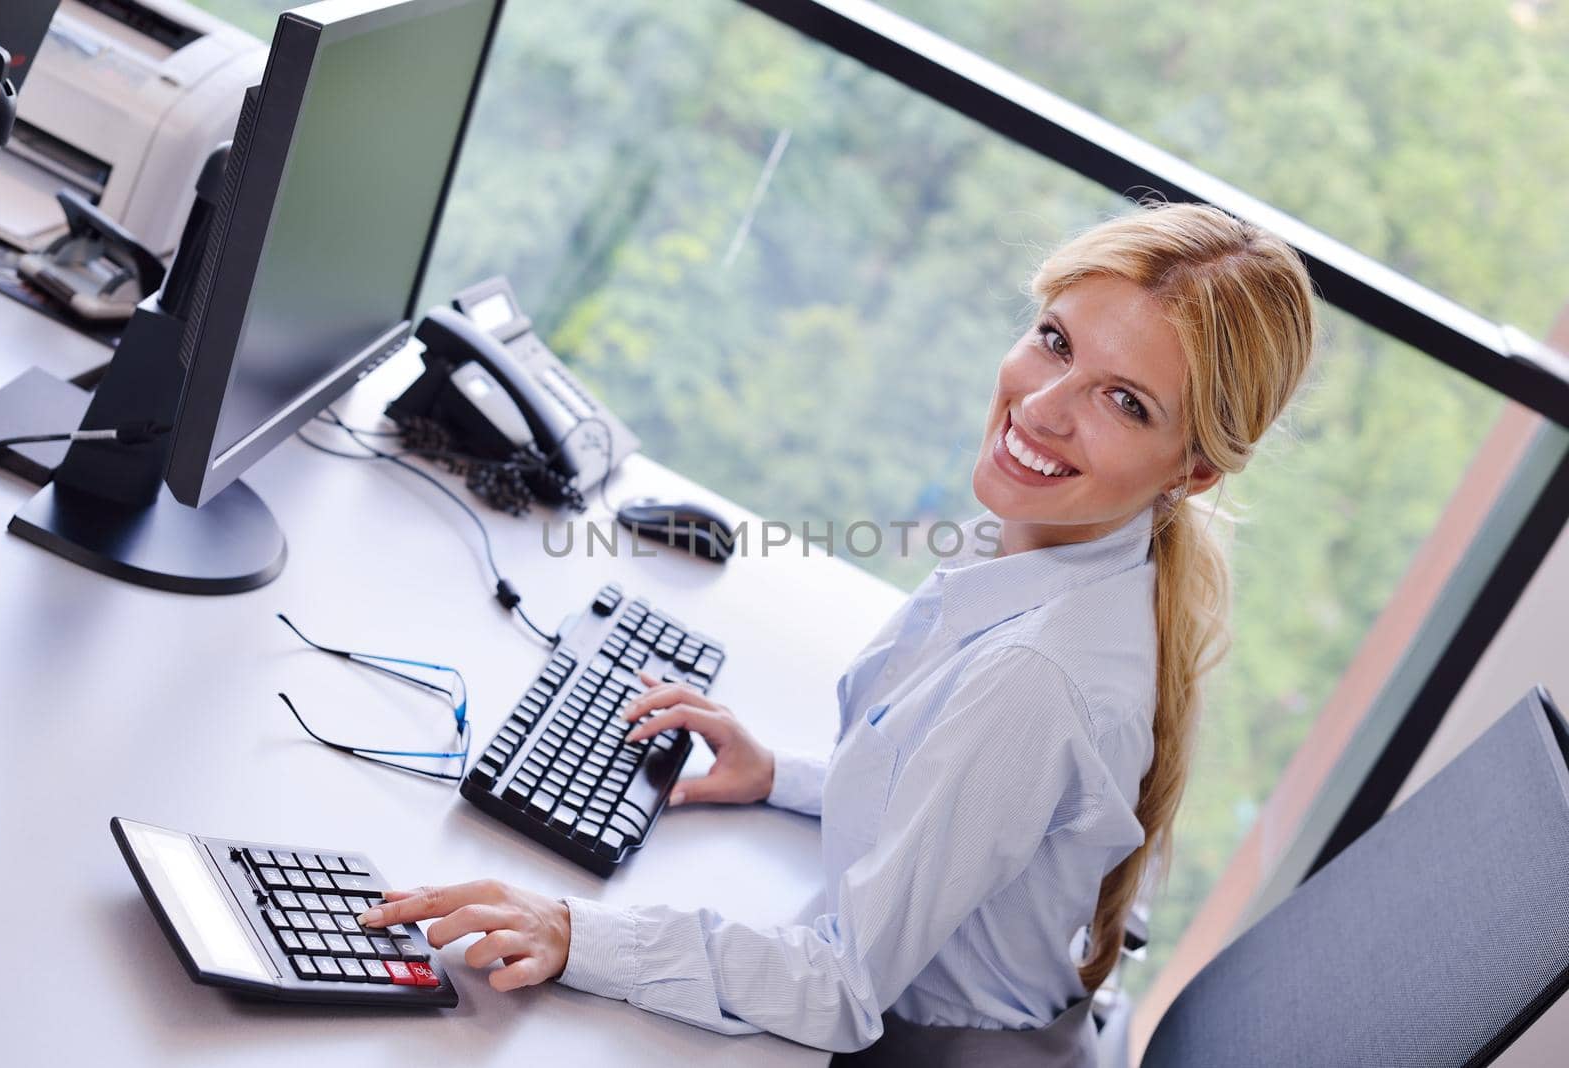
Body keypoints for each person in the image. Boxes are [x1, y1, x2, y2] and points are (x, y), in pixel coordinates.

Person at [356, 202, 1318, 1061]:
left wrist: (578, 932)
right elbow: (963, 806)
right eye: (1056, 341)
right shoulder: (1063, 549)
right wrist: (784, 776)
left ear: (1189, 472)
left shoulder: (1039, 673)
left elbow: (842, 990)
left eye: (1125, 401)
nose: (1042, 406)